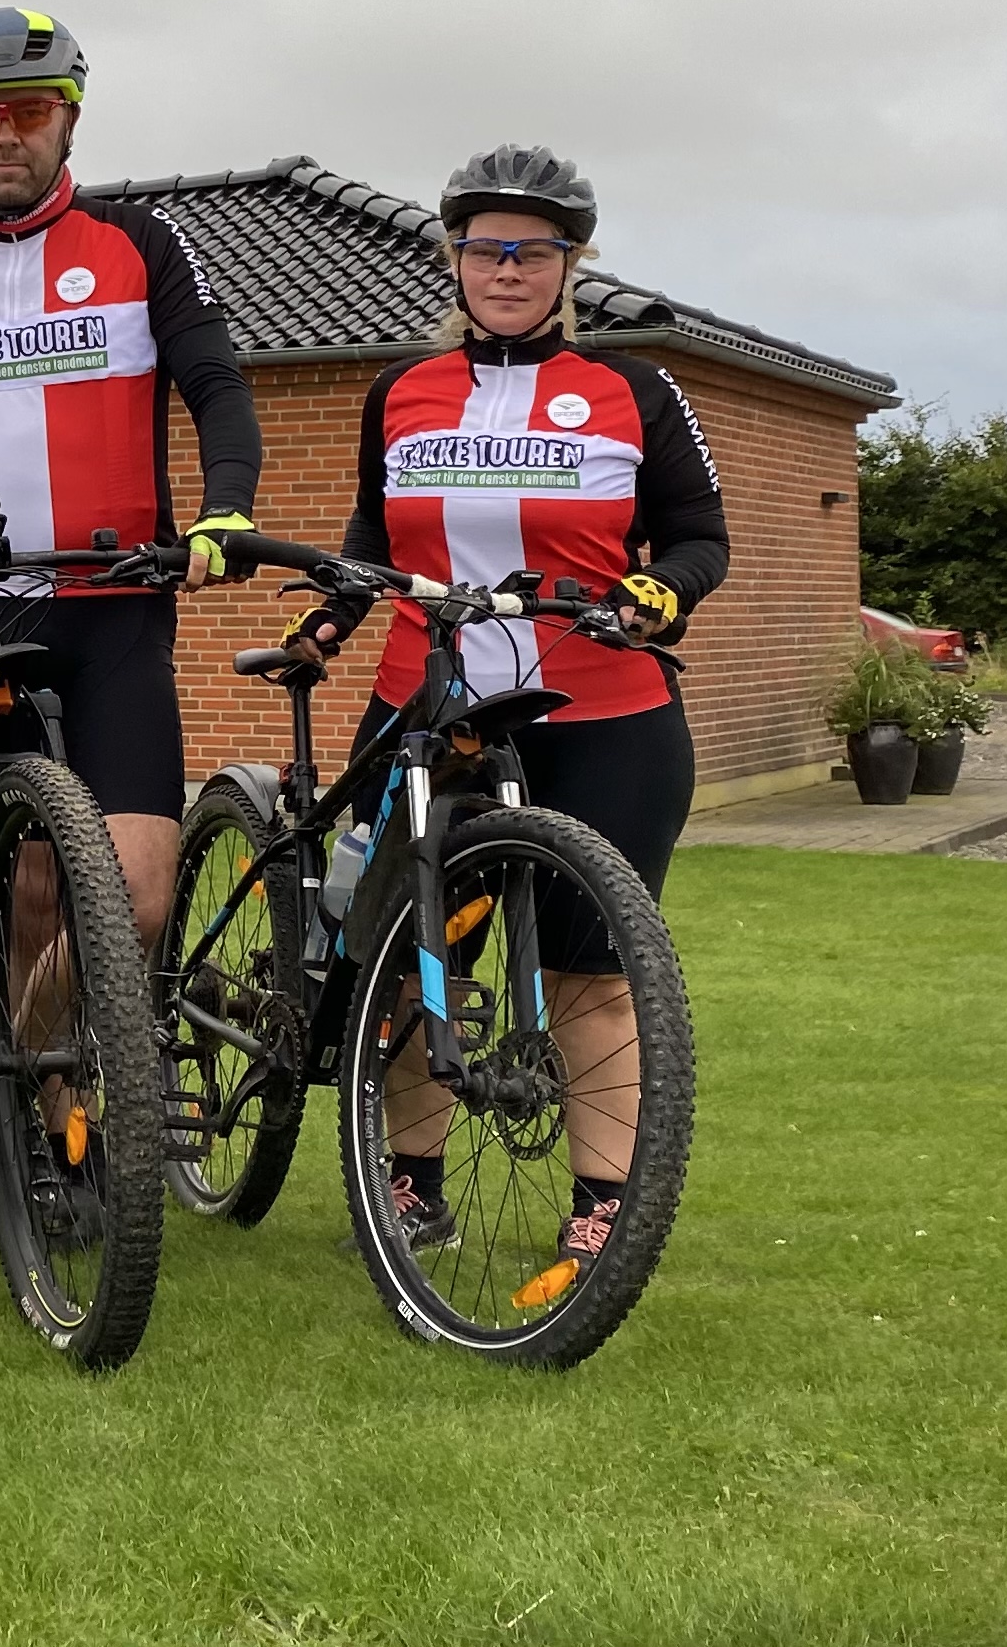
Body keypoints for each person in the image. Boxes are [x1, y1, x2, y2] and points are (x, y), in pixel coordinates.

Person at [282, 143, 724, 1285]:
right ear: (457, 259)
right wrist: (331, 620)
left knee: (592, 966)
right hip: (425, 705)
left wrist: (659, 589)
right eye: (487, 247)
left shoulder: (636, 392)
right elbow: (375, 541)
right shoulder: (404, 392)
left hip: (602, 708)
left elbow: (697, 536)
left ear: (569, 263)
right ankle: (411, 1187)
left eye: (534, 249)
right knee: (419, 954)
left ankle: (603, 1204)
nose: (509, 267)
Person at [0, 7, 265, 1156]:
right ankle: (48, 1119)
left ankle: (24, 1068)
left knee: (130, 898)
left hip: (118, 606)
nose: (4, 135)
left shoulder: (140, 246)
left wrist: (226, 503)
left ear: (68, 117)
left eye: (28, 112)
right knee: (29, 891)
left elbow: (216, 384)